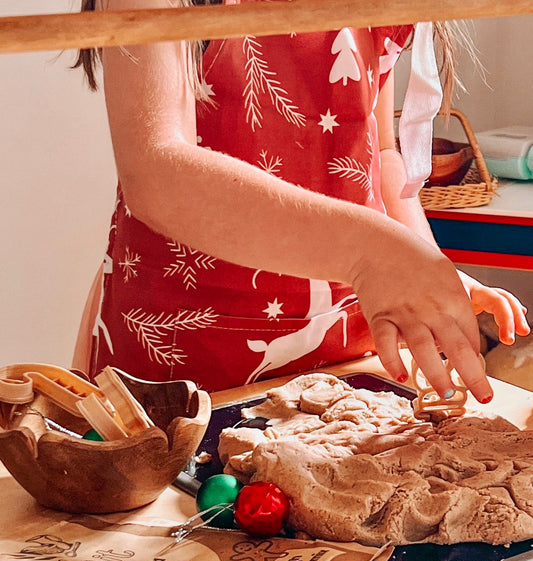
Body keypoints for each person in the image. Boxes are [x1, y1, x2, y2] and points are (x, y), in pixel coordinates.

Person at [73, 0, 529, 399]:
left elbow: (380, 153)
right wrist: (375, 256)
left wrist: (425, 270)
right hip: (185, 363)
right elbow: (157, 175)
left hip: (348, 351)